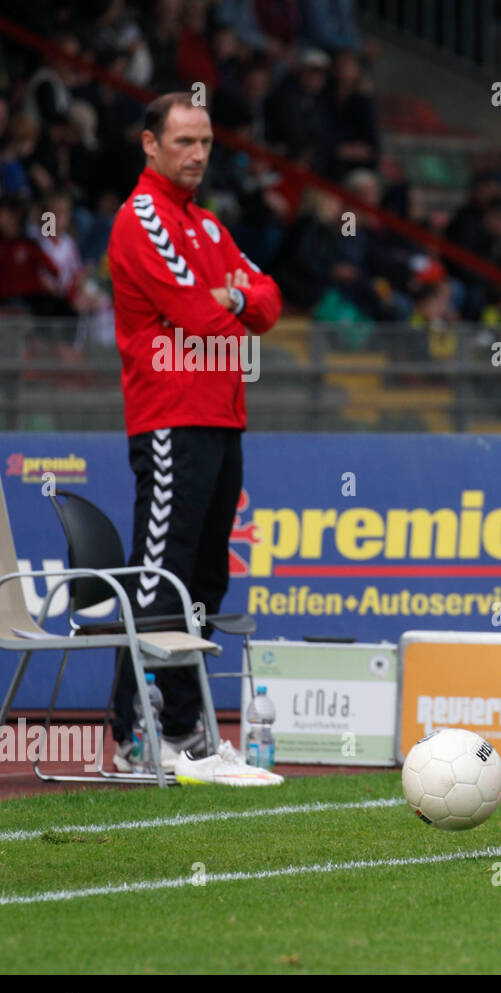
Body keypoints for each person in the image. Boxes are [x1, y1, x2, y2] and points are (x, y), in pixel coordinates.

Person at [107, 91, 282, 772]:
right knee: (159, 579)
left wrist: (234, 297)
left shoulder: (208, 225)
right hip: (171, 419)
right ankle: (132, 734)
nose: (198, 154)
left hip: (221, 417)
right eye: (184, 142)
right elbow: (191, 313)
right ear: (150, 144)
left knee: (205, 580)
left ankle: (185, 731)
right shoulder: (142, 217)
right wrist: (226, 305)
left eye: (205, 142)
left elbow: (264, 301)